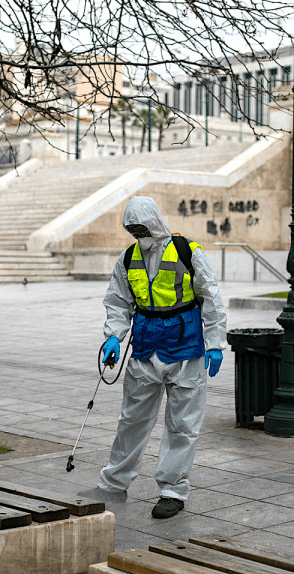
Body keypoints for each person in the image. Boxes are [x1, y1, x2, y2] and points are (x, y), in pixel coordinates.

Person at [96, 196, 226, 519]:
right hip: (145, 348)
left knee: (182, 424)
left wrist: (214, 342)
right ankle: (114, 483)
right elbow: (118, 301)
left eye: (141, 227)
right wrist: (114, 335)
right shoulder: (128, 259)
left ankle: (172, 490)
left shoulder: (187, 252)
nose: (138, 233)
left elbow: (210, 297)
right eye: (133, 228)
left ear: (154, 221)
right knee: (132, 420)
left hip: (186, 348)